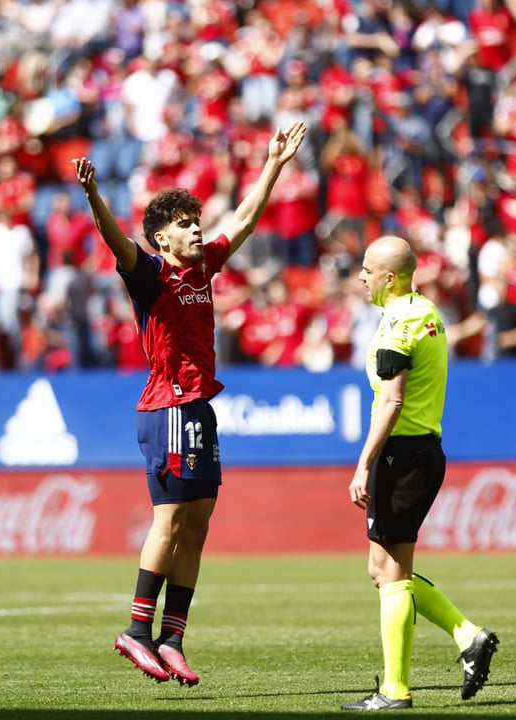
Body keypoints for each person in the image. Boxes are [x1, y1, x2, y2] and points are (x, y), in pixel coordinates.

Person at [71, 120, 307, 687]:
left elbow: (246, 219)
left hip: (199, 406)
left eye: (196, 221)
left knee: (198, 524)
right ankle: (136, 630)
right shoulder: (148, 274)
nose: (196, 229)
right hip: (167, 407)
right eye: (184, 224)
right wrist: (95, 196)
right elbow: (114, 240)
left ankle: (173, 638)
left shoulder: (204, 267)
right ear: (161, 239)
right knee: (170, 518)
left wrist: (274, 163)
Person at [344, 236, 498, 711]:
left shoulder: (399, 321)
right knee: (382, 570)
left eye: (368, 269)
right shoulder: (425, 310)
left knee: (392, 576)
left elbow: (391, 400)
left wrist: (364, 463)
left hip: (403, 455)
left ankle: (395, 690)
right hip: (418, 451)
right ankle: (467, 635)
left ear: (390, 277)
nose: (361, 277)